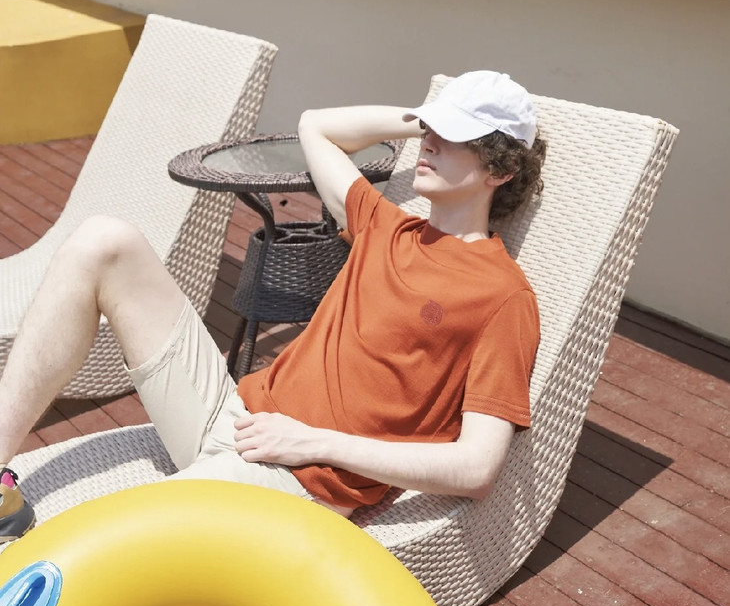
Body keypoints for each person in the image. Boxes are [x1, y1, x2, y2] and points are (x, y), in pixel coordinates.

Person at [0, 70, 546, 542]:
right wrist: (424, 116)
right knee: (103, 240)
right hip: (233, 414)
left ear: (500, 170)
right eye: (431, 131)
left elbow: (476, 467)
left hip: (298, 478)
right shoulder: (385, 225)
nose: (430, 143)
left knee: (99, 537)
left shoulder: (502, 295)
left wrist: (309, 442)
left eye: (453, 137)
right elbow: (316, 126)